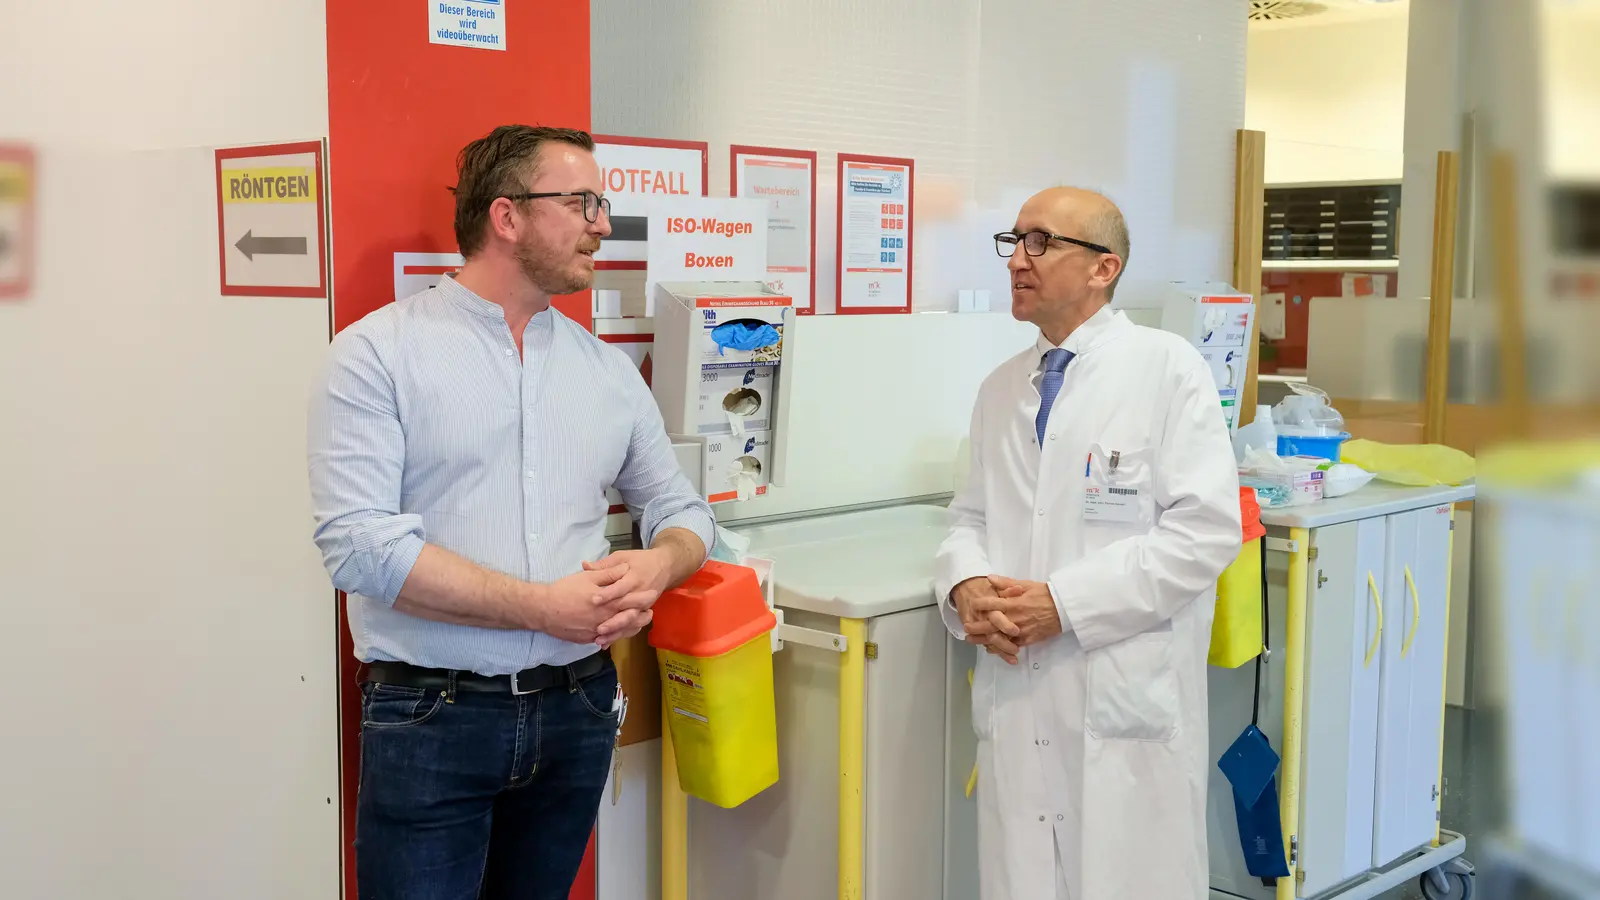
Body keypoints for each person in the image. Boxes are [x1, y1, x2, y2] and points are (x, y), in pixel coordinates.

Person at [306, 125, 714, 900]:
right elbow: (359, 547)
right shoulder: (377, 356)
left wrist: (661, 563)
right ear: (507, 217)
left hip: (579, 707)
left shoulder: (605, 373)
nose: (603, 223)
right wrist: (541, 607)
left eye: (604, 203)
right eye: (583, 202)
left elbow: (683, 507)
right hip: (430, 714)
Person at [934, 187, 1242, 900]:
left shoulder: (1167, 370)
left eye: (1041, 242)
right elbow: (968, 518)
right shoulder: (1001, 388)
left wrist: (1065, 605)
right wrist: (966, 585)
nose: (1018, 259)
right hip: (1020, 691)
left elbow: (1204, 531)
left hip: (1121, 695)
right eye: (1012, 242)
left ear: (1103, 268)